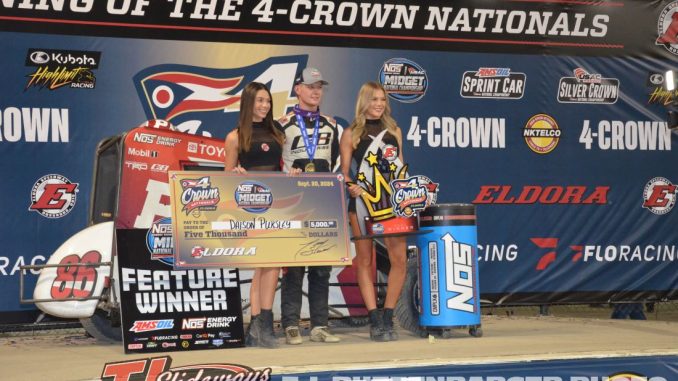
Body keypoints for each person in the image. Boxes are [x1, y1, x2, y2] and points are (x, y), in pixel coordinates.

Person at [277, 67, 341, 344]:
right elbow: (275, 164)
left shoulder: (331, 125)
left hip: (324, 201)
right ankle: (291, 323)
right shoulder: (283, 124)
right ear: (298, 90)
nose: (316, 91)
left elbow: (339, 163)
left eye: (320, 86)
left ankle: (319, 325)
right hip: (295, 202)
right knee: (293, 266)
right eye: (311, 86)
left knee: (321, 267)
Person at [339, 82, 407, 341]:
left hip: (393, 202)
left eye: (382, 99)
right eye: (374, 99)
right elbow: (344, 173)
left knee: (399, 259)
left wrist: (407, 194)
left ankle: (388, 314)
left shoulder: (394, 130)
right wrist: (352, 187)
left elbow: (400, 167)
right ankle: (374, 318)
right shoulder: (351, 133)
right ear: (364, 101)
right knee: (365, 261)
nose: (379, 104)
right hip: (363, 202)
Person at [224, 82, 286, 348]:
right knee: (265, 263)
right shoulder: (235, 136)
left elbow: (283, 167)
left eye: (268, 101)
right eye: (260, 101)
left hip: (277, 204)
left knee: (269, 264)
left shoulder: (277, 133)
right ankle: (262, 327)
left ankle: (258, 328)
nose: (264, 106)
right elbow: (225, 176)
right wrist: (235, 173)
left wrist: (291, 174)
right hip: (249, 206)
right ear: (248, 103)